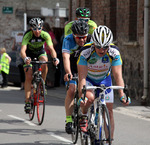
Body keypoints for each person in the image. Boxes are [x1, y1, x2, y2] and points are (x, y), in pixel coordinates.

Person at [77, 25, 131, 140]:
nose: (102, 50)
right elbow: (82, 77)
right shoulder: (85, 52)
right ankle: (84, 116)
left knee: (110, 111)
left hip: (104, 80)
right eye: (98, 47)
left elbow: (117, 75)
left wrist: (122, 95)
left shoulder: (114, 52)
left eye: (105, 47)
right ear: (93, 44)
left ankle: (108, 141)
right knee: (90, 98)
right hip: (89, 79)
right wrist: (82, 96)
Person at [20, 18, 59, 113]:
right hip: (29, 54)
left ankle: (43, 84)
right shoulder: (27, 35)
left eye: (39, 28)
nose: (37, 31)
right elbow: (22, 50)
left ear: (42, 28)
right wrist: (25, 59)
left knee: (45, 62)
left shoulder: (45, 34)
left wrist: (55, 58)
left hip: (40, 52)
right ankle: (28, 101)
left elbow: (51, 48)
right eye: (34, 29)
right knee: (28, 76)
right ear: (31, 28)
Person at [62, 20, 91, 134]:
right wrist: (68, 72)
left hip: (86, 68)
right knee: (71, 90)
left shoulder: (91, 39)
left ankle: (86, 116)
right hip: (73, 68)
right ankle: (69, 120)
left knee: (87, 92)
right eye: (79, 38)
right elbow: (65, 57)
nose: (82, 40)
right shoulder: (68, 40)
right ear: (73, 35)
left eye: (84, 37)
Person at [43, 22, 58, 88]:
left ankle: (50, 83)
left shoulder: (49, 33)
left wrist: (49, 47)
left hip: (49, 53)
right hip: (44, 53)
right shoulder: (45, 33)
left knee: (49, 68)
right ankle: (47, 82)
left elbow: (55, 42)